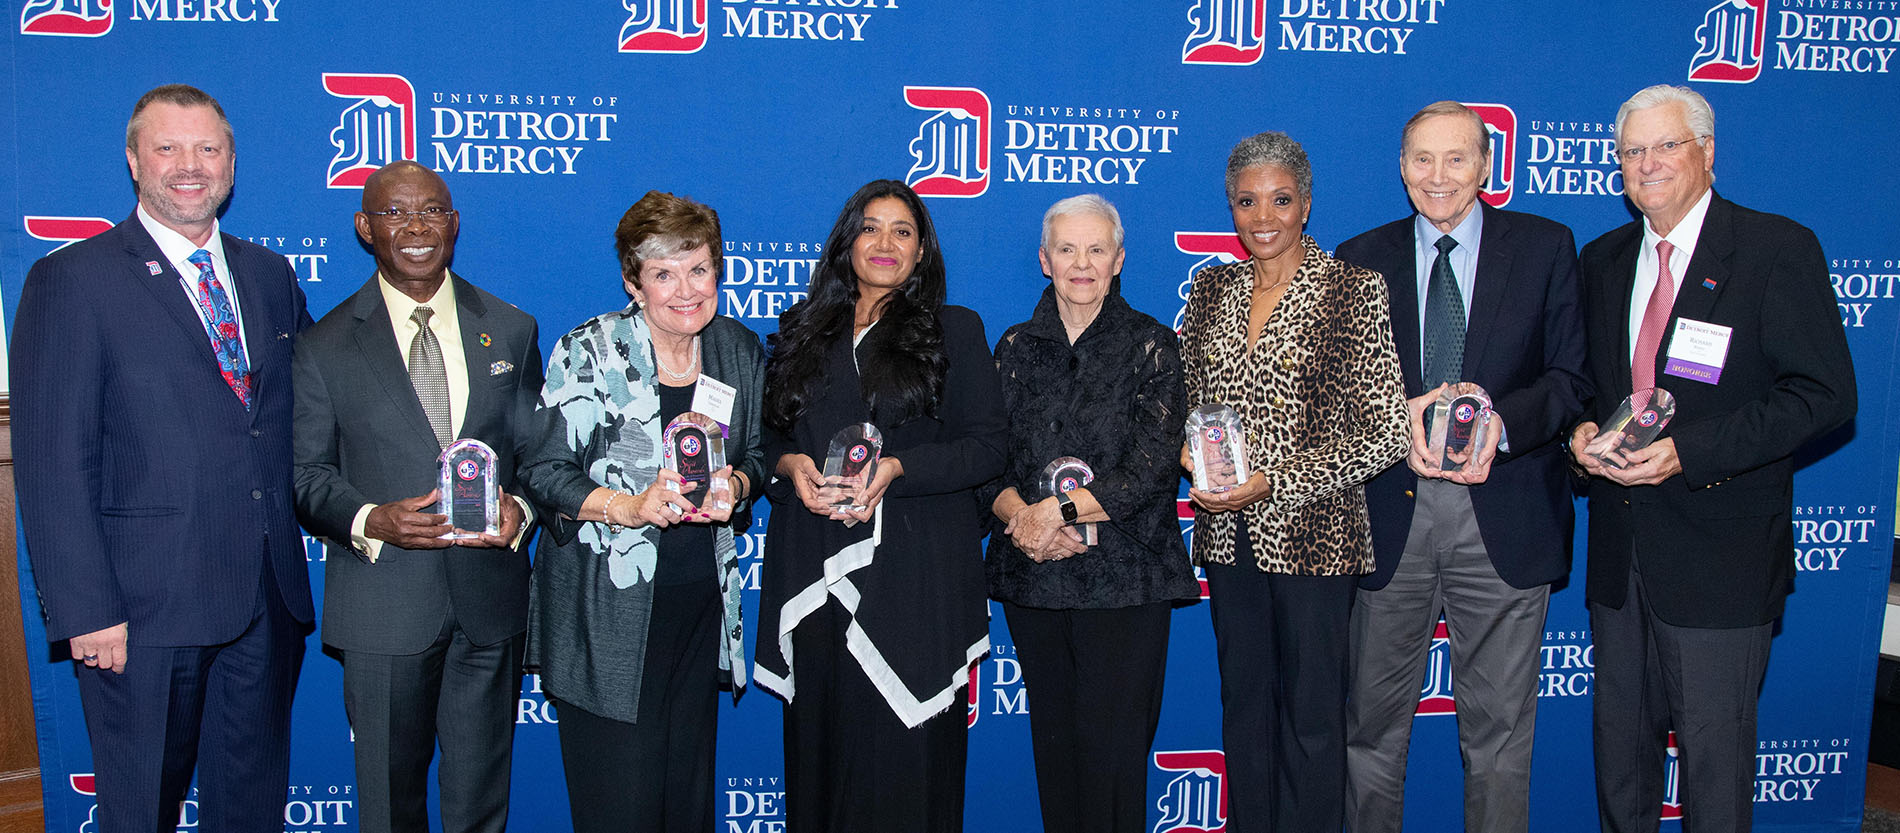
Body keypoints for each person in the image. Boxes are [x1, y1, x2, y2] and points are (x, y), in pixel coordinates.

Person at [12, 83, 314, 831]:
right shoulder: (71, 279)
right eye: (168, 148)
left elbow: (306, 415)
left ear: (232, 165)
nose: (190, 165)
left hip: (263, 598)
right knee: (140, 806)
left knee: (250, 806)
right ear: (134, 161)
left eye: (208, 148)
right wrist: (86, 608)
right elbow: (52, 462)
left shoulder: (269, 276)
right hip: (140, 610)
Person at [1570, 84, 1855, 833]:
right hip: (1619, 560)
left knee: (1715, 777)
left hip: (1720, 560)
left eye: (1666, 145)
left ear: (1708, 152)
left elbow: (1824, 396)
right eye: (1633, 151)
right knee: (1620, 771)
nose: (1648, 163)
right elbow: (1587, 390)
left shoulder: (1773, 249)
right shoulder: (1601, 260)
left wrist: (1684, 453)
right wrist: (1577, 435)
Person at [1337, 101, 1589, 833]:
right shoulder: (1359, 258)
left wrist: (1501, 424)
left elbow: (1572, 378)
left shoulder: (1545, 246)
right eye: (1422, 159)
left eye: (1456, 159)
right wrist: (1397, 419)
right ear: (1402, 169)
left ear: (1487, 166)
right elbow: (1342, 399)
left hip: (1503, 513)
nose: (1438, 176)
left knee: (1501, 739)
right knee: (1369, 733)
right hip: (1391, 517)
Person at [291, 161, 543, 833]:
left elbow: (537, 455)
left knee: (480, 802)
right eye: (396, 213)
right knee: (389, 803)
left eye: (431, 211)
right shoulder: (322, 346)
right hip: (383, 606)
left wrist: (521, 510)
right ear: (365, 226)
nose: (415, 227)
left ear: (453, 223)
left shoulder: (512, 329)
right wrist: (373, 517)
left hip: (488, 600)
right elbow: (306, 474)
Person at [754, 179, 1006, 833]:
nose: (886, 242)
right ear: (847, 241)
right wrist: (789, 468)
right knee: (823, 762)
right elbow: (770, 437)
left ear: (922, 251)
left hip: (915, 577)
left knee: (908, 775)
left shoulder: (954, 329)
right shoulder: (803, 331)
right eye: (871, 227)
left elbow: (988, 447)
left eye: (903, 230)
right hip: (816, 574)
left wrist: (900, 467)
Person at [1177, 132, 1408, 833]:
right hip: (1227, 535)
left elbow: (1387, 430)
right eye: (1247, 201)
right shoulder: (1213, 288)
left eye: (1280, 198)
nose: (1263, 215)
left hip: (1315, 540)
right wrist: (1190, 453)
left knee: (1311, 721)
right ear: (1231, 208)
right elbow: (1190, 399)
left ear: (1306, 203)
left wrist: (1273, 481)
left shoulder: (1352, 289)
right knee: (1245, 714)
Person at [518, 190, 763, 833]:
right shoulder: (589, 350)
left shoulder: (738, 349)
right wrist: (629, 507)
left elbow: (760, 453)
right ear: (634, 283)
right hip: (607, 613)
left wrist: (736, 484)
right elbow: (543, 472)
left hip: (698, 607)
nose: (685, 290)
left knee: (687, 805)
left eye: (699, 268)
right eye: (663, 274)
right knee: (620, 806)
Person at [983, 194, 1200, 833]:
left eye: (1097, 249)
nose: (1083, 263)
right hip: (1035, 578)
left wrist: (1058, 510)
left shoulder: (1153, 345)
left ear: (1119, 260)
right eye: (1068, 249)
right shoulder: (1014, 348)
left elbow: (1153, 465)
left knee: (1113, 766)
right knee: (1056, 757)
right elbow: (990, 461)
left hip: (1126, 581)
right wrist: (1023, 518)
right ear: (1046, 261)